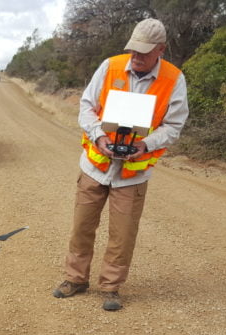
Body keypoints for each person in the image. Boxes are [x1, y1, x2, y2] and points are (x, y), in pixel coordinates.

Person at [52, 18, 189, 311]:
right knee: (81, 227)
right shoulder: (110, 66)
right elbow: (86, 106)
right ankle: (75, 279)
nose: (136, 57)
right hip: (94, 166)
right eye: (133, 50)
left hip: (132, 175)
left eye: (144, 52)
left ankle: (111, 288)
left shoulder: (174, 79)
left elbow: (174, 126)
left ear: (161, 49)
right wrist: (99, 135)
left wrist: (145, 144)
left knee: (122, 234)